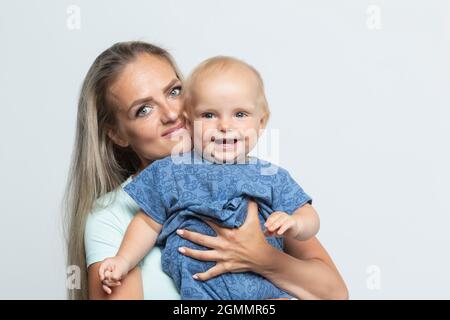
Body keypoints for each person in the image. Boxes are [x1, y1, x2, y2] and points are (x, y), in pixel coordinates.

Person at [64, 41, 348, 300]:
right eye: (144, 110)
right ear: (118, 134)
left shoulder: (255, 176)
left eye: (174, 92)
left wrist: (262, 258)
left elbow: (334, 294)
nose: (171, 114)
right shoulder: (112, 215)